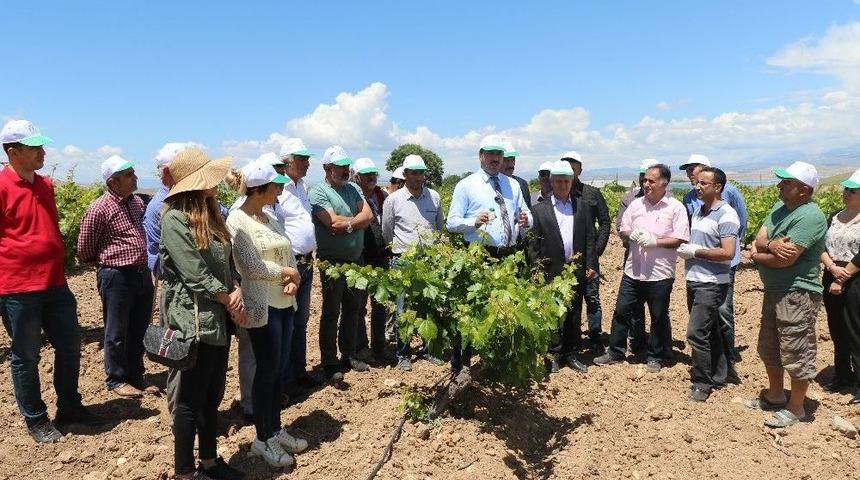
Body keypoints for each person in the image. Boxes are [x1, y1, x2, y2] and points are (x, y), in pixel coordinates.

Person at [0, 119, 103, 443]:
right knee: (27, 355)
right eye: (35, 148)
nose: (43, 151)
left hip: (56, 284)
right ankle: (36, 418)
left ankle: (70, 407)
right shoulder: (1, 187)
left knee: (70, 346)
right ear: (13, 151)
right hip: (18, 288)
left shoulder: (45, 185)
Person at [160, 148, 246, 480]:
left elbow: (224, 264)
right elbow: (194, 275)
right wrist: (231, 300)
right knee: (189, 402)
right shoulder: (175, 218)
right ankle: (184, 472)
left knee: (211, 397)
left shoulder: (210, 215)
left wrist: (235, 287)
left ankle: (209, 463)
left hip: (218, 320)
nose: (217, 182)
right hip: (195, 321)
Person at [227, 160, 308, 468]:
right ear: (259, 189)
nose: (280, 192)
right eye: (276, 187)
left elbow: (288, 251)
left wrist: (293, 278)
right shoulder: (238, 220)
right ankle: (262, 439)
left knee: (277, 371)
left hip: (285, 303)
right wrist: (286, 272)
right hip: (262, 305)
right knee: (266, 371)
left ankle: (275, 429)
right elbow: (249, 266)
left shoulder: (270, 216)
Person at [747, 161, 827, 428]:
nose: (780, 186)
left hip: (798, 292)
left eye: (787, 183)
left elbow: (785, 260)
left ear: (804, 190)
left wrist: (757, 254)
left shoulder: (810, 216)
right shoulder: (779, 209)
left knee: (796, 348)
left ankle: (797, 408)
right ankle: (775, 395)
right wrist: (768, 246)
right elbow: (760, 238)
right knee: (769, 347)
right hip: (775, 290)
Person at [446, 134, 532, 377]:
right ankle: (460, 366)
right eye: (491, 154)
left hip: (509, 256)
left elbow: (527, 216)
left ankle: (492, 365)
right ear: (481, 156)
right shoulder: (466, 185)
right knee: (471, 311)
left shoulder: (512, 185)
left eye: (499, 154)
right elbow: (451, 223)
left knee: (502, 312)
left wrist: (527, 221)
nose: (495, 158)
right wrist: (473, 222)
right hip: (479, 256)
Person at [595, 164, 689, 372]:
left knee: (658, 316)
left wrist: (655, 241)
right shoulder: (636, 205)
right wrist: (631, 235)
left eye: (651, 181)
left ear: (664, 183)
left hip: (660, 274)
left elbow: (680, 238)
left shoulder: (675, 208)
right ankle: (616, 352)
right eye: (645, 180)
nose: (646, 184)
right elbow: (623, 229)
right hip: (633, 271)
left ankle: (654, 355)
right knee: (622, 311)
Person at [77, 155, 157, 398]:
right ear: (113, 181)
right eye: (128, 175)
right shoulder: (99, 208)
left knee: (139, 328)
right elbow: (84, 248)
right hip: (116, 276)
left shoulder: (137, 203)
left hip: (141, 274)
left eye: (133, 173)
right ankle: (116, 379)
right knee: (117, 330)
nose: (134, 178)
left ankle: (136, 375)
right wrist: (107, 265)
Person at [309, 145, 374, 381]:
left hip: (356, 260)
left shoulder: (354, 188)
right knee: (330, 311)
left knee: (353, 309)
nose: (345, 170)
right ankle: (329, 361)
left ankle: (348, 354)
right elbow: (331, 224)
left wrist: (347, 224)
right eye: (340, 167)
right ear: (327, 168)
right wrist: (354, 221)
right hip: (332, 262)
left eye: (347, 166)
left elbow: (368, 216)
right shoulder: (318, 192)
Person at [676, 167, 740, 402]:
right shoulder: (699, 212)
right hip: (694, 279)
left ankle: (702, 383)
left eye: (704, 183)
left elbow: (728, 253)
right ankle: (720, 374)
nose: (698, 186)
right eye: (697, 183)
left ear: (718, 187)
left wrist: (696, 251)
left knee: (696, 333)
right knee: (711, 329)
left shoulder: (726, 214)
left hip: (711, 283)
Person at [680, 154, 749, 365]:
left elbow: (741, 221)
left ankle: (726, 359)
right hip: (698, 265)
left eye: (695, 168)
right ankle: (711, 359)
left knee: (723, 311)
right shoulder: (690, 198)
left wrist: (731, 247)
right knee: (703, 313)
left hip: (723, 261)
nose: (691, 173)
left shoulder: (729, 193)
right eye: (688, 170)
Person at [528, 161, 595, 374]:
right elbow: (533, 243)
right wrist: (536, 269)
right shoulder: (538, 210)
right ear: (551, 182)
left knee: (574, 313)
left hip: (575, 270)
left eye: (567, 180)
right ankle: (553, 354)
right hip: (550, 270)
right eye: (558, 181)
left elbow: (589, 239)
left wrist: (591, 264)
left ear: (572, 181)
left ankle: (571, 353)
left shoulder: (582, 206)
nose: (563, 185)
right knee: (552, 313)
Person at [381, 154, 445, 370]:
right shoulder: (393, 200)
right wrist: (400, 251)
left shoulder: (434, 197)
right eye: (414, 173)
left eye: (421, 173)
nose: (418, 177)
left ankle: (429, 349)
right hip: (403, 261)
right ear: (405, 174)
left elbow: (439, 227)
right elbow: (387, 232)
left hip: (429, 261)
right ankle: (403, 354)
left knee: (429, 307)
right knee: (403, 309)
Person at [143, 142, 193, 417]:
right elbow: (159, 262)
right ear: (167, 172)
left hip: (193, 291)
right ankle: (179, 419)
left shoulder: (192, 201)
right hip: (178, 294)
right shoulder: (160, 208)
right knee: (179, 357)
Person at [277, 138, 323, 396]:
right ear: (288, 162)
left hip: (306, 260)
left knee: (301, 321)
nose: (307, 163)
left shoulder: (302, 186)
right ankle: (283, 380)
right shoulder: (278, 189)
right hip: (289, 263)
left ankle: (298, 372)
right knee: (286, 322)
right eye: (303, 159)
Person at [561, 151, 611, 354]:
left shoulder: (592, 193)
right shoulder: (558, 194)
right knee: (569, 299)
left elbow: (605, 222)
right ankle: (570, 339)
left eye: (574, 169)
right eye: (567, 169)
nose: (571, 173)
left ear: (580, 170)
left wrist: (597, 251)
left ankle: (595, 336)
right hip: (565, 258)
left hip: (589, 257)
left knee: (592, 298)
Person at [820, 168, 860, 404]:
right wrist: (831, 268)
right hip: (832, 271)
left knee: (856, 329)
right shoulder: (834, 216)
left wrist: (842, 277)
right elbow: (820, 245)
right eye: (846, 189)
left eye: (853, 190)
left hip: (855, 278)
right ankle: (842, 375)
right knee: (836, 327)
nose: (846, 193)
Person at [351, 157, 392, 363]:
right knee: (359, 305)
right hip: (362, 256)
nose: (371, 177)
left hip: (381, 255)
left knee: (380, 303)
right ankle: (361, 347)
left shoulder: (381, 195)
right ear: (356, 177)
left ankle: (379, 346)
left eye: (373, 174)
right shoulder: (352, 197)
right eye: (366, 174)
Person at [614, 158, 656, 355]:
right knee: (632, 304)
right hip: (632, 256)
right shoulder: (630, 198)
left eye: (648, 177)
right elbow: (620, 225)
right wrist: (630, 235)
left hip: (658, 262)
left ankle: (658, 347)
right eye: (642, 176)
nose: (644, 181)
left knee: (658, 307)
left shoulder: (670, 201)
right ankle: (636, 341)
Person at [501, 138, 532, 207]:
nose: (510, 164)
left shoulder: (522, 184)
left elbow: (528, 211)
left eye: (512, 159)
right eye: (506, 160)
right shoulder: (491, 184)